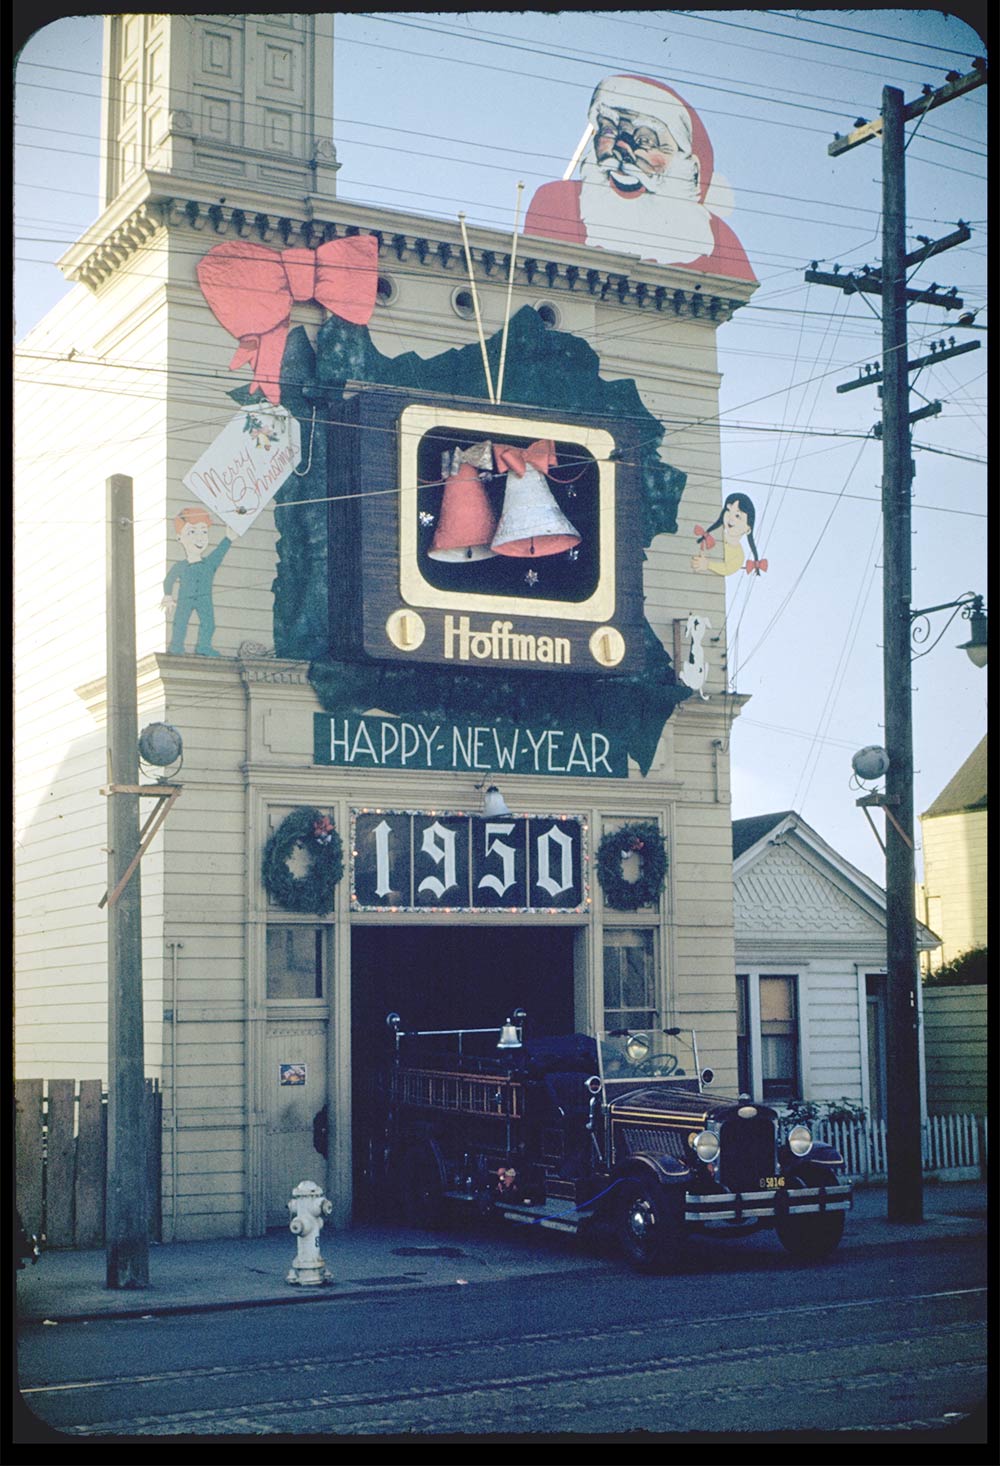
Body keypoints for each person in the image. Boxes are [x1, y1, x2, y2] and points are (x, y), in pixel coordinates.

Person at [524, 73, 756, 281]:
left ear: (692, 171)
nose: (622, 147)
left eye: (646, 140)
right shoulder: (556, 202)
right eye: (609, 130)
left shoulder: (720, 243)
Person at [161, 505, 232, 655]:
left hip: (204, 599)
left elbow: (220, 552)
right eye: (192, 532)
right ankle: (176, 646)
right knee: (180, 622)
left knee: (209, 623)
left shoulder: (209, 563)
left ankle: (203, 646)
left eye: (204, 532)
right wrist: (168, 595)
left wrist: (229, 538)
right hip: (185, 598)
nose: (199, 537)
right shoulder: (181, 565)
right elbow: (169, 579)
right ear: (179, 537)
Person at [691, 493, 766, 577]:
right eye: (729, 510)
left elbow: (727, 568)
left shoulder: (738, 556)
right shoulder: (716, 534)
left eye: (737, 516)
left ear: (748, 529)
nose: (730, 518)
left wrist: (708, 565)